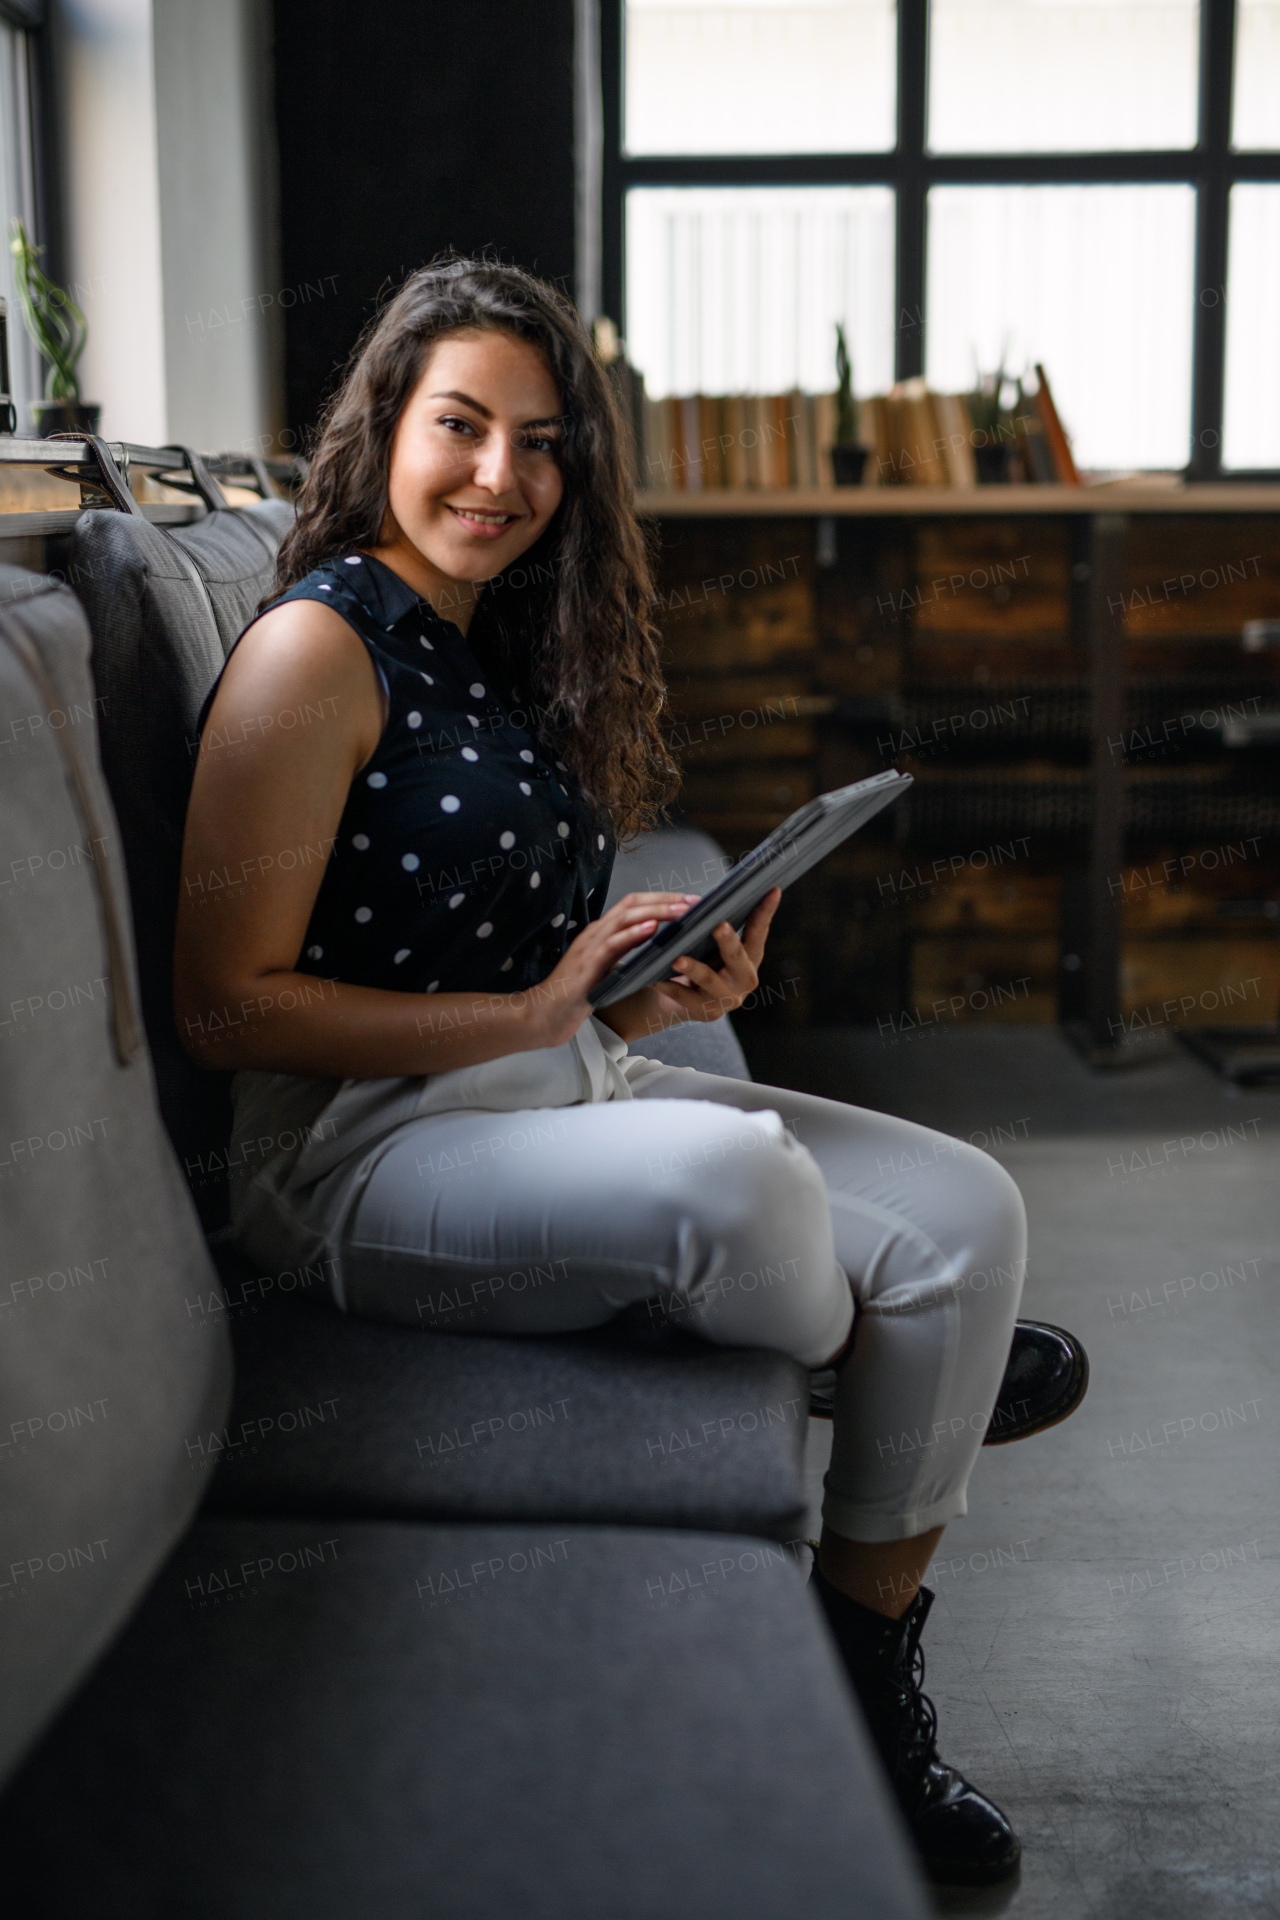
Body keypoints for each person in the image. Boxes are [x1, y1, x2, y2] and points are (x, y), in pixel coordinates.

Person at [177, 257, 1062, 1888]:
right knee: (741, 1184)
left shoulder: (496, 646)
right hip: (356, 1164)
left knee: (968, 1215)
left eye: (541, 442)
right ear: (384, 428)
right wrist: (535, 1023)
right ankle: (863, 1355)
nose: (499, 476)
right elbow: (226, 1011)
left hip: (550, 1093)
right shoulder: (316, 652)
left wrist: (628, 1006)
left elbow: (507, 973)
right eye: (460, 426)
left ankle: (868, 1688)